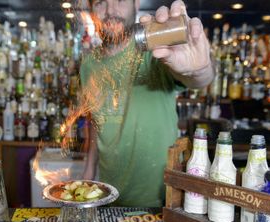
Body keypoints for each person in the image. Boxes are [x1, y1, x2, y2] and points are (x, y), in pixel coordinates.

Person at [79, 0, 215, 207]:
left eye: (120, 1)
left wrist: (199, 69)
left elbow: (198, 78)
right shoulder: (88, 64)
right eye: (100, 2)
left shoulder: (154, 47)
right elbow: (96, 119)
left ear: (136, 3)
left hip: (160, 199)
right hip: (108, 196)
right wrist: (89, 170)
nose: (110, 11)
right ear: (91, 10)